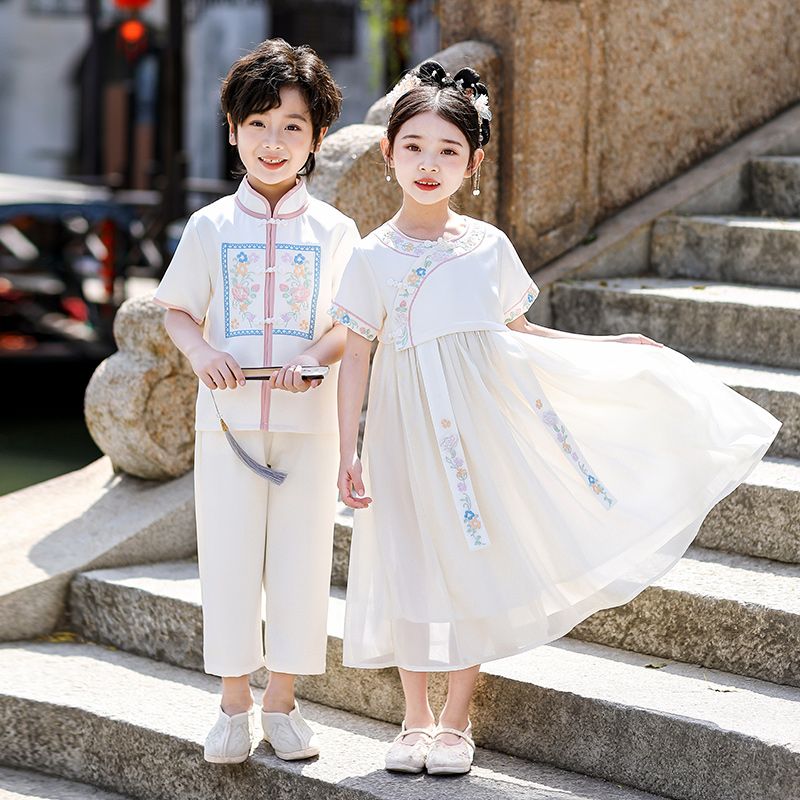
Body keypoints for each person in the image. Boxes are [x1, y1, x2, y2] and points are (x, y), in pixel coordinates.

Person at [331, 60, 780, 776]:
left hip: (480, 427)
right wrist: (347, 450)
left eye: (449, 150)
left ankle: (455, 719)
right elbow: (355, 357)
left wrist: (610, 348)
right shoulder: (370, 255)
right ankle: (411, 717)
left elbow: (519, 333)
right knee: (407, 561)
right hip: (401, 431)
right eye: (414, 145)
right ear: (388, 152)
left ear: (473, 163)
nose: (429, 163)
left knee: (471, 561)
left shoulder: (487, 248)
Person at [153, 38, 359, 765]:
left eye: (293, 127)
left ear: (318, 139)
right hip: (228, 428)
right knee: (232, 562)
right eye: (259, 125)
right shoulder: (210, 226)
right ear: (233, 131)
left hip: (309, 427)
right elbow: (177, 310)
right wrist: (204, 353)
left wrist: (313, 356)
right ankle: (234, 704)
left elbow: (351, 324)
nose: (274, 143)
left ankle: (285, 703)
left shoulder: (336, 232)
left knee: (303, 564)